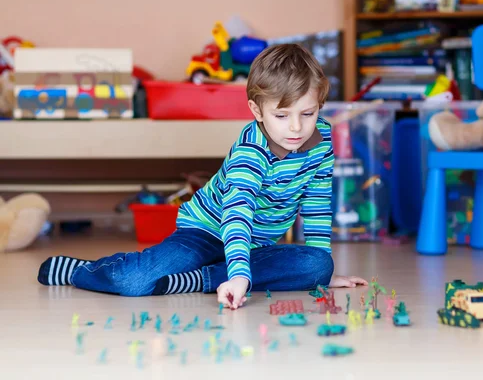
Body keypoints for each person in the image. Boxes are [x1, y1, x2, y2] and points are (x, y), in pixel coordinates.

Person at [37, 44, 368, 308]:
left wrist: (323, 272)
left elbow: (316, 205)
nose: (296, 127)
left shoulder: (320, 143)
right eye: (281, 115)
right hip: (206, 231)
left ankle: (202, 279)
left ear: (320, 106)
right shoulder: (250, 151)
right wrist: (239, 275)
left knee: (318, 265)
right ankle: (80, 270)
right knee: (135, 282)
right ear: (257, 111)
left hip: (256, 244)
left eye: (307, 113)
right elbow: (237, 215)